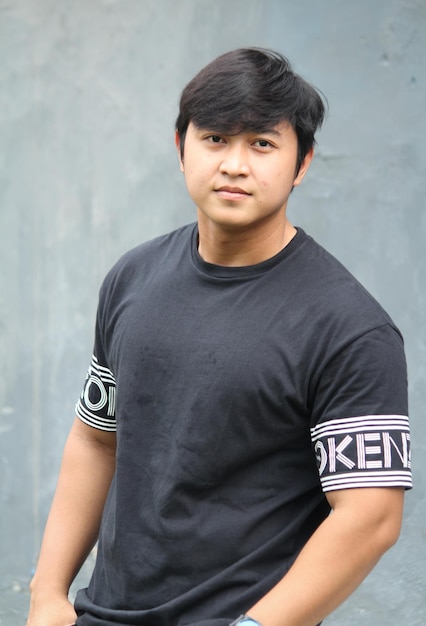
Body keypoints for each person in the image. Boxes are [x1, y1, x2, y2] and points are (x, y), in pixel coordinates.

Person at [27, 48, 412, 626]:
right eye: (214, 139)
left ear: (301, 162)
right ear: (180, 147)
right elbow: (96, 439)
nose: (235, 164)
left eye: (262, 144)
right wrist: (48, 593)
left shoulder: (350, 329)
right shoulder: (132, 278)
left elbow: (370, 518)